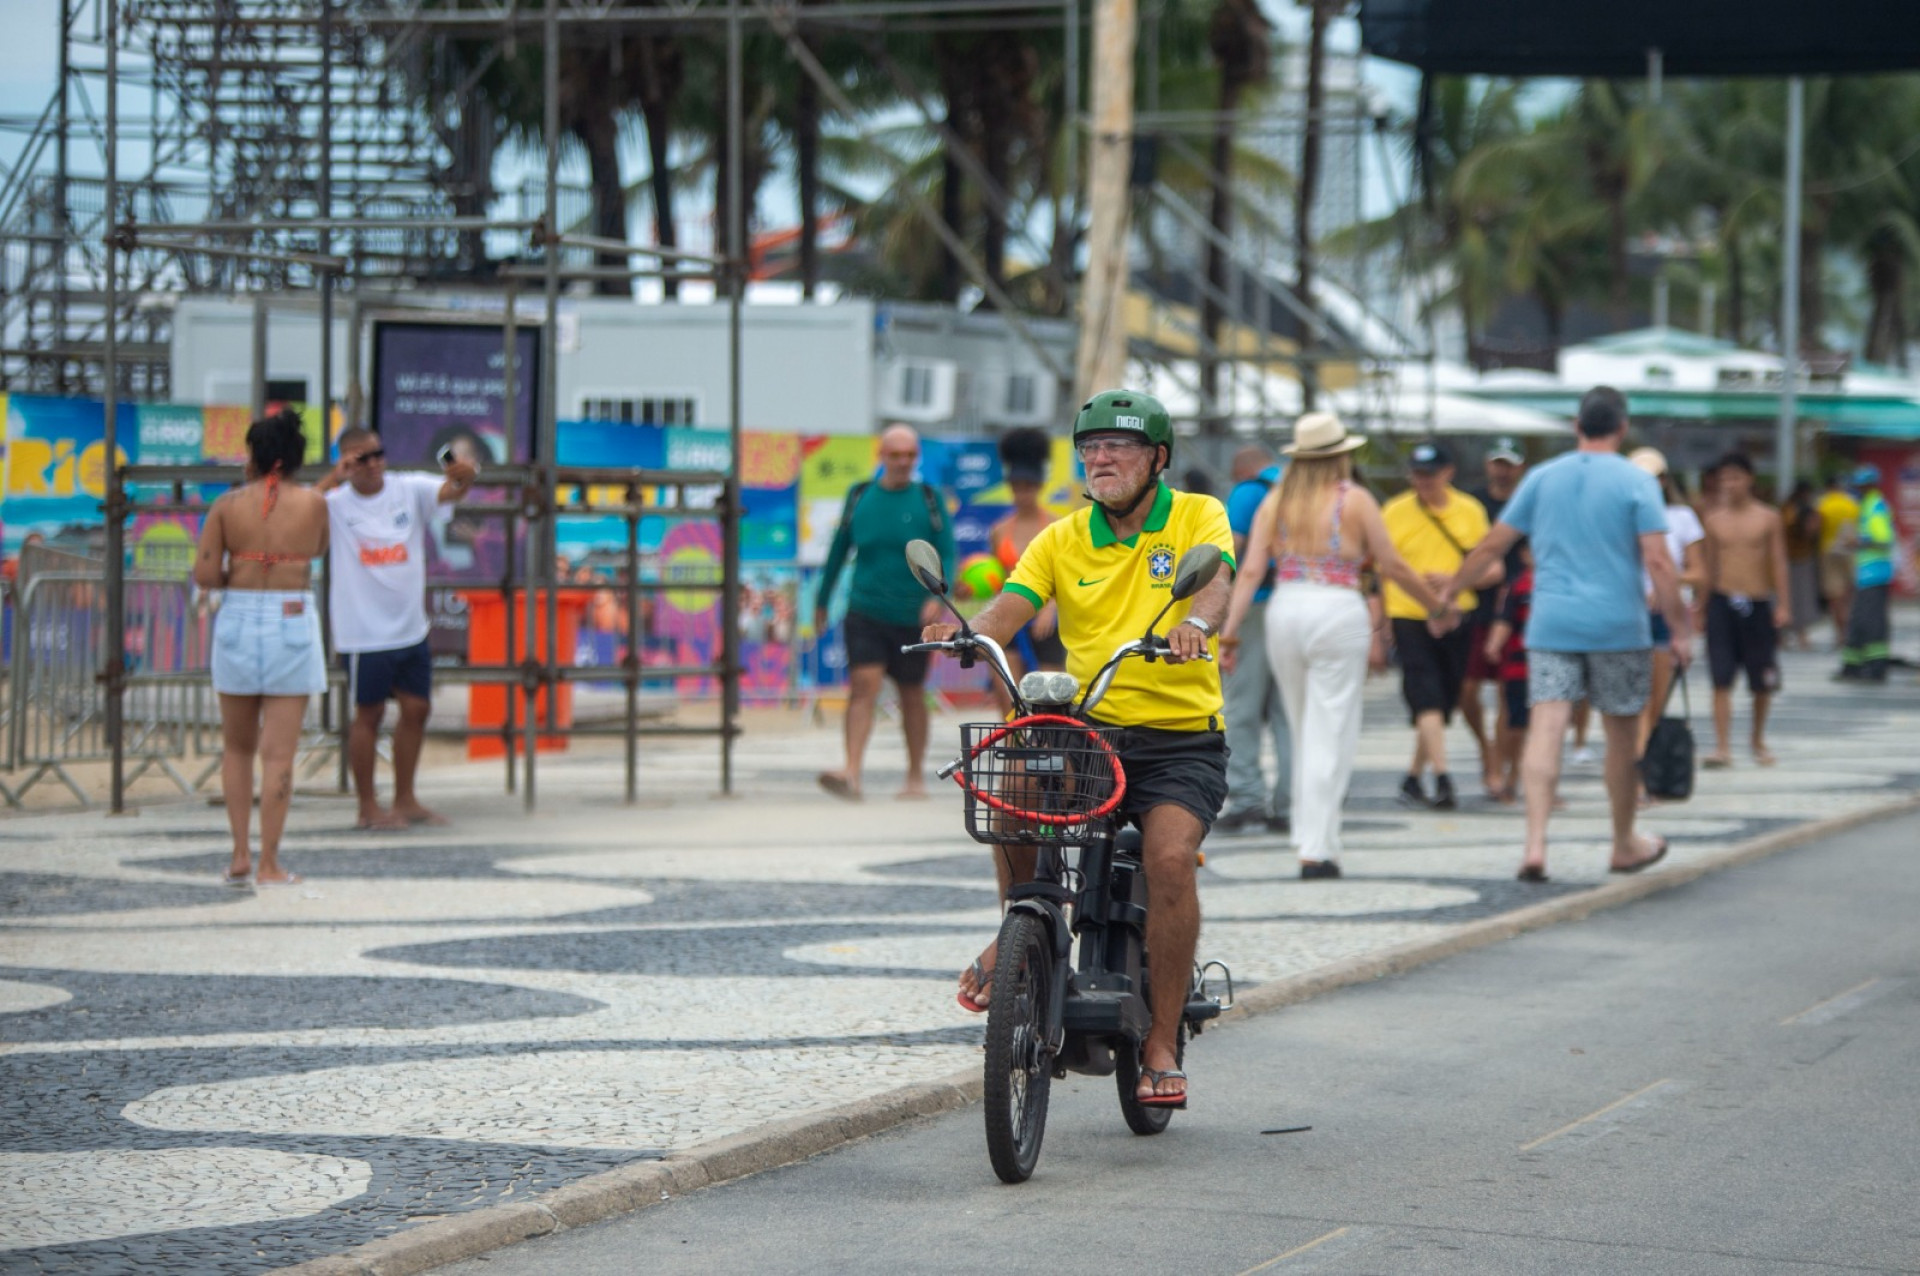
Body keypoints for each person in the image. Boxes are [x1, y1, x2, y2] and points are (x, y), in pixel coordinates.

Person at [932, 389, 1232, 1107]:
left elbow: (1214, 584)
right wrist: (972, 630)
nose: (1101, 458)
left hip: (1179, 739)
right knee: (1016, 789)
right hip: (1088, 731)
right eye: (1091, 447)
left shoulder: (1196, 514)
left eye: (1119, 446)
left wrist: (1195, 625)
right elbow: (1014, 602)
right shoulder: (1063, 536)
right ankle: (1021, 931)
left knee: (1166, 860)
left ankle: (1160, 1040)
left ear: (1157, 458)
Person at [1443, 386, 1690, 883]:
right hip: (1619, 627)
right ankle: (1623, 844)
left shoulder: (1541, 477)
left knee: (1547, 727)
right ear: (1621, 429)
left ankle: (1535, 846)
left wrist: (1450, 594)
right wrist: (1680, 629)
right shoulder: (1637, 481)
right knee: (1620, 734)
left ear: (1578, 426)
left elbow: (1494, 543)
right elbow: (1660, 562)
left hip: (1551, 624)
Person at [1222, 413, 1459, 877]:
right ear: (1341, 455)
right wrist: (1435, 605)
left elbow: (1249, 571)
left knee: (1302, 722)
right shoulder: (1357, 500)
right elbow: (1392, 565)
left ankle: (1310, 836)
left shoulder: (1277, 501)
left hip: (1286, 609)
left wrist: (1229, 633)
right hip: (1338, 609)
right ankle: (1317, 845)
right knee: (1332, 730)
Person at [193, 409, 330, 886]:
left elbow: (206, 575)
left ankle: (238, 853)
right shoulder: (314, 504)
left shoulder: (226, 506)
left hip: (238, 614)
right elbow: (317, 550)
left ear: (254, 456)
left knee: (237, 747)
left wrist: (244, 569)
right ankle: (271, 862)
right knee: (279, 755)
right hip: (291, 615)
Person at [319, 427, 477, 830]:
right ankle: (367, 806)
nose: (373, 465)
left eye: (378, 454)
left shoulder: (408, 489)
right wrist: (335, 476)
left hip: (410, 626)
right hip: (364, 632)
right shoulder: (335, 503)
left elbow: (450, 492)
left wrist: (464, 475)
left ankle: (405, 798)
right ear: (346, 463)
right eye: (361, 459)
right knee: (367, 714)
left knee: (417, 708)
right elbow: (301, 508)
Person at [814, 425, 955, 801]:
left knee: (912, 694)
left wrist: (938, 595)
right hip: (865, 609)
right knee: (864, 687)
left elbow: (948, 552)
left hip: (913, 615)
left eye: (910, 455)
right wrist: (822, 601)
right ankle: (852, 771)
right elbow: (837, 551)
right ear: (881, 455)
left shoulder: (928, 498)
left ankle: (914, 777)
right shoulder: (860, 495)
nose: (903, 462)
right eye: (895, 455)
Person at [1381, 441, 1500, 810]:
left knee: (1443, 700)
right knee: (1425, 693)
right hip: (1409, 614)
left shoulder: (1469, 510)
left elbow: (1491, 567)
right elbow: (1385, 569)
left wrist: (1453, 581)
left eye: (1430, 473)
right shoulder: (1394, 511)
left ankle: (1414, 778)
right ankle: (1443, 777)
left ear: (1448, 473)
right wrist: (1383, 622)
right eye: (1417, 473)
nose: (1423, 481)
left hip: (1457, 615)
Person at [1216, 443, 1292, 834]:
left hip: (1258, 607)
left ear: (1241, 468)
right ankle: (1288, 804)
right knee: (1288, 712)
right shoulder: (1300, 488)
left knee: (1241, 706)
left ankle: (1246, 798)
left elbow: (1232, 553)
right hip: (1300, 606)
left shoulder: (1248, 492)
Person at [1699, 452, 1789, 766]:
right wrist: (1700, 608)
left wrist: (1784, 604)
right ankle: (1722, 745)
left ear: (1749, 479)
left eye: (1735, 477)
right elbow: (1708, 567)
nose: (1730, 484)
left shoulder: (1768, 518)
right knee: (1720, 676)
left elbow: (1777, 561)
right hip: (1722, 601)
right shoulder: (1713, 520)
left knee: (1761, 679)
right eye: (1724, 478)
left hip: (1758, 601)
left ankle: (1757, 739)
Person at [1627, 448, 1707, 771]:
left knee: (1654, 702)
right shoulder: (1620, 516)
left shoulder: (1681, 517)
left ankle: (1644, 770)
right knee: (1635, 702)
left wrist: (1666, 583)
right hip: (1629, 612)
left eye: (1653, 478)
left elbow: (1699, 571)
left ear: (1662, 480)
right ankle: (1640, 773)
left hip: (1665, 612)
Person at [1463, 437, 1526, 798]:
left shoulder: (1526, 504)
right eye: (1497, 462)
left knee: (1508, 691)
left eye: (1508, 463)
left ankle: (1501, 767)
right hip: (1479, 603)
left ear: (1518, 467)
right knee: (1467, 689)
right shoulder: (1473, 503)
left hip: (1517, 607)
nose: (1502, 470)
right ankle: (1488, 750)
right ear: (1488, 465)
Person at [988, 428, 1065, 701]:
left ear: (1039, 486)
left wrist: (1050, 608)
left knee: (1049, 695)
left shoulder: (1057, 526)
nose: (1022, 494)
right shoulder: (1000, 530)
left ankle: (1046, 741)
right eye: (1016, 487)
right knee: (1007, 691)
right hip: (1013, 615)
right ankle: (1012, 740)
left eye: (1028, 487)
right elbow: (999, 578)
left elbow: (1065, 577)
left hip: (1047, 616)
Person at [1482, 542, 1535, 803]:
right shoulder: (1517, 586)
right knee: (1516, 724)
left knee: (1546, 725)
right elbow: (1504, 618)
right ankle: (1508, 776)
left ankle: (1525, 779)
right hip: (1518, 664)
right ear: (1524, 554)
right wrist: (1494, 643)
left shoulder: (1563, 582)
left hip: (1552, 664)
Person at [1837, 465, 1896, 683]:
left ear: (1869, 485)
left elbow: (1884, 539)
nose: (1857, 489)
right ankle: (1853, 666)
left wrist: (1858, 541)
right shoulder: (1868, 505)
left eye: (1860, 485)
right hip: (1867, 575)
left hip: (1875, 574)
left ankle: (1875, 668)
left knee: (1871, 623)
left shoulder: (1875, 507)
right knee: (1860, 621)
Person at [1816, 474, 1861, 648]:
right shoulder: (1851, 503)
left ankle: (1840, 634)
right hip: (1849, 552)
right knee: (1848, 594)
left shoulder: (1823, 503)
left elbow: (1817, 527)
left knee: (1834, 596)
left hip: (1829, 552)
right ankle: (1848, 629)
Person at [1781, 480, 1822, 652]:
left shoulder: (1796, 509)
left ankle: (1799, 634)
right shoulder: (1790, 510)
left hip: (1801, 558)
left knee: (1801, 598)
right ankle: (1786, 634)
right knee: (1791, 597)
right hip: (1791, 558)